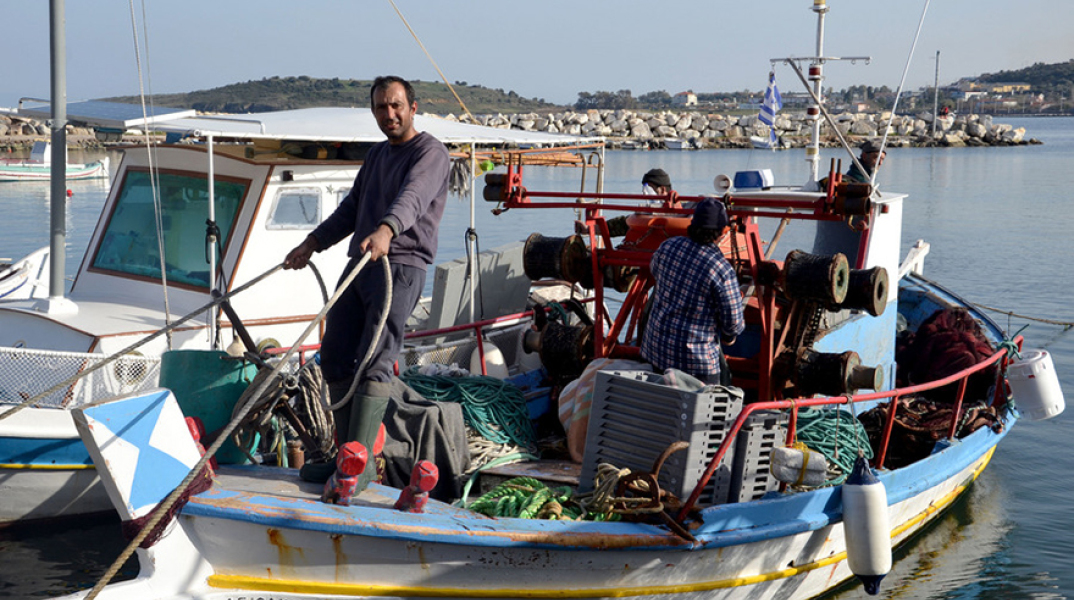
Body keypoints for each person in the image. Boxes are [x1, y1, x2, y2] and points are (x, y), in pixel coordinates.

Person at [283, 75, 450, 489]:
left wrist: (388, 230)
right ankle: (346, 457)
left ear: (413, 108)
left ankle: (358, 471)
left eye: (395, 106)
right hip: (361, 263)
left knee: (376, 359)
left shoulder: (431, 152)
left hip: (401, 266)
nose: (388, 114)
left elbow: (412, 196)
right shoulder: (377, 156)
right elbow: (352, 208)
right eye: (380, 107)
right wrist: (313, 242)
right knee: (336, 354)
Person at [641, 198, 745, 385]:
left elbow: (655, 271)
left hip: (655, 352)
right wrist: (729, 337)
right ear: (723, 232)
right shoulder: (721, 269)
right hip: (696, 366)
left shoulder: (667, 247)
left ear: (692, 224)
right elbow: (733, 324)